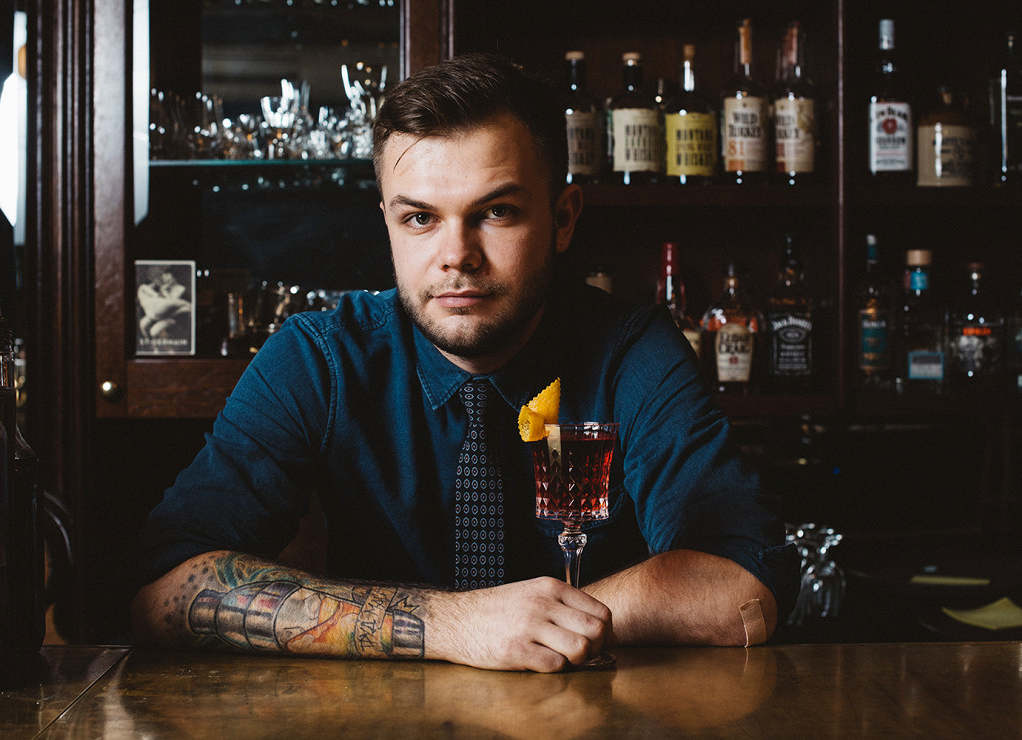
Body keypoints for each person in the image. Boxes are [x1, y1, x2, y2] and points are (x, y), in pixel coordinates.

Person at [130, 53, 799, 673]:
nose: (457, 256)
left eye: (497, 212)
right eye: (420, 219)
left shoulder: (632, 352)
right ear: (387, 222)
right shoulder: (319, 360)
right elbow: (163, 590)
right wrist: (452, 625)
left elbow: (744, 587)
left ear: (563, 218)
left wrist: (539, 627)